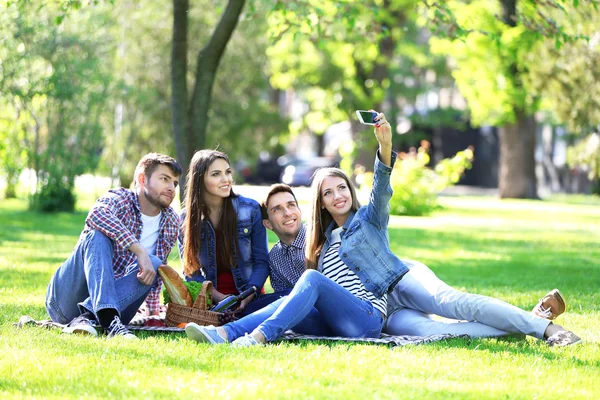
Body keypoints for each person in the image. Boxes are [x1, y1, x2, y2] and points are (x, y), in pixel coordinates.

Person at [251, 180, 582, 346]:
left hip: (398, 279)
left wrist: (383, 148)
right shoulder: (314, 240)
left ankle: (549, 329)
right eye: (278, 212)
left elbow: (381, 192)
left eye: (290, 206)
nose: (287, 214)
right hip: (377, 312)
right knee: (437, 333)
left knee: (453, 303)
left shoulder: (362, 219)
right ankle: (532, 319)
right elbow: (292, 300)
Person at [185, 111, 406, 346]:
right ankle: (224, 334)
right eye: (328, 193)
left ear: (350, 191)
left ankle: (258, 338)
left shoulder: (370, 222)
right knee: (290, 298)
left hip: (367, 319)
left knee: (312, 277)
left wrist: (385, 145)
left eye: (342, 188)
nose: (337, 196)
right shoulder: (322, 240)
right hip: (334, 322)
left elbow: (381, 190)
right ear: (321, 202)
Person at [45, 153, 182, 338]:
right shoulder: (119, 199)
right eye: (164, 179)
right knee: (96, 236)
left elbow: (151, 277)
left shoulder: (171, 220)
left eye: (174, 183)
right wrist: (138, 248)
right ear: (142, 179)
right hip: (66, 302)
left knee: (156, 263)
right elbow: (97, 216)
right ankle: (102, 317)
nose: (171, 187)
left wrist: (152, 313)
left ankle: (93, 317)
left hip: (119, 307)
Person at [179, 149, 269, 315]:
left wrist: (248, 295)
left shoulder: (250, 209)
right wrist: (220, 298)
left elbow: (262, 262)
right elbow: (191, 272)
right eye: (216, 174)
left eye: (227, 172)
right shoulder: (187, 218)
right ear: (200, 179)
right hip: (210, 302)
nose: (226, 179)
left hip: (251, 298)